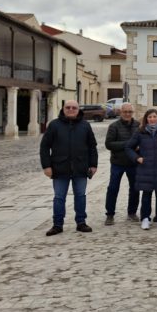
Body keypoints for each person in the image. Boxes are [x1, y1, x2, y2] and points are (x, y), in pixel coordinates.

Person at [39, 100, 98, 236]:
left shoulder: (85, 125)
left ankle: (81, 222)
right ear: (63, 108)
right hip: (59, 168)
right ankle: (57, 225)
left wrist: (93, 164)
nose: (71, 109)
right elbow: (44, 147)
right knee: (59, 197)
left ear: (78, 109)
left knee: (80, 196)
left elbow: (92, 147)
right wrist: (46, 166)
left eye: (74, 107)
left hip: (80, 167)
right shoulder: (54, 125)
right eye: (68, 107)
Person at [124, 109, 157, 230]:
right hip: (145, 168)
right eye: (150, 117)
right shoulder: (140, 132)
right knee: (146, 194)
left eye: (154, 117)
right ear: (146, 119)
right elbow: (128, 147)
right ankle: (145, 218)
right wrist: (137, 158)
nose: (152, 119)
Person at [103, 102, 139, 225]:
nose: (127, 114)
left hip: (133, 163)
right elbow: (109, 144)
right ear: (120, 112)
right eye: (125, 111)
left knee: (135, 189)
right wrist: (128, 144)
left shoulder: (138, 125)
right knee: (113, 188)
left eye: (130, 112)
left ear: (132, 113)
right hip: (117, 162)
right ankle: (110, 214)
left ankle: (132, 212)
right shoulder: (114, 126)